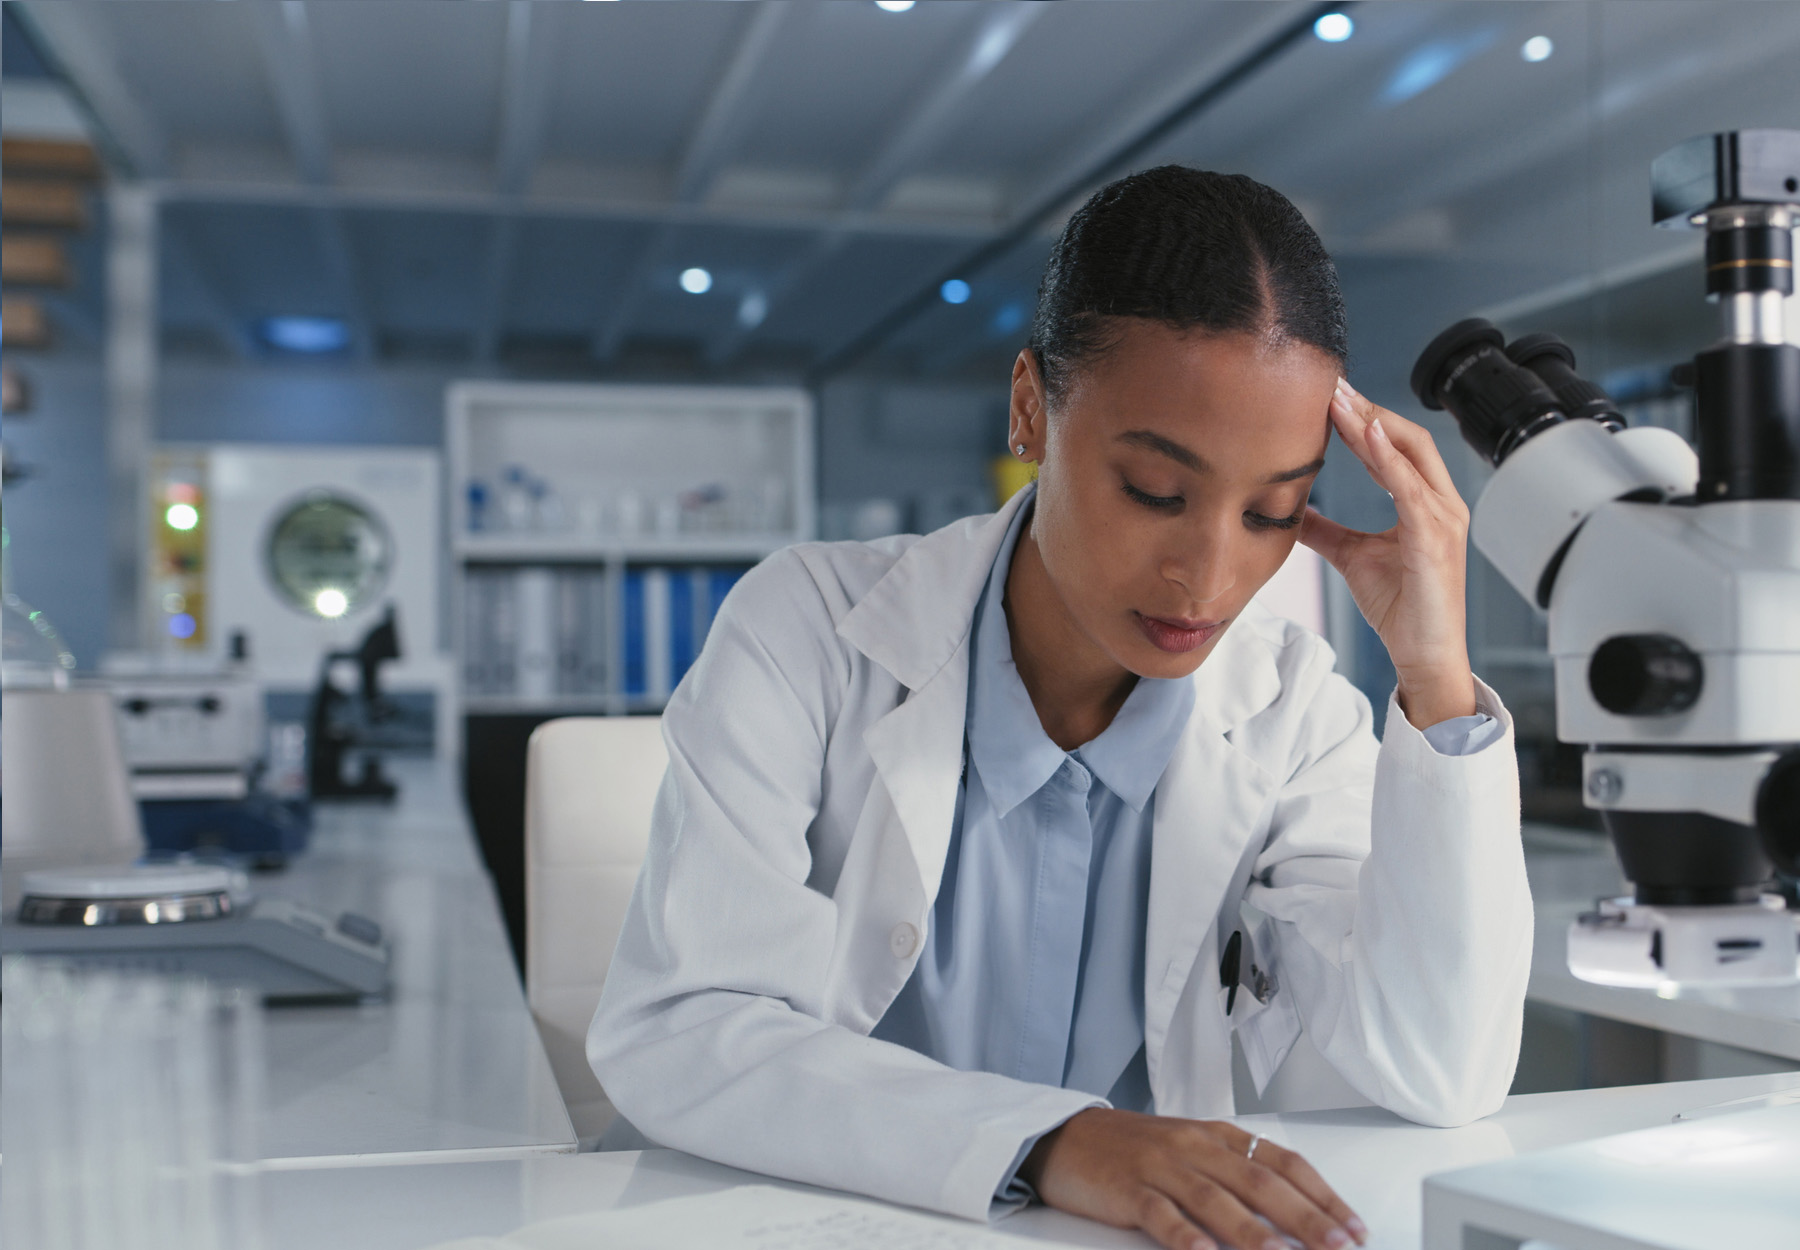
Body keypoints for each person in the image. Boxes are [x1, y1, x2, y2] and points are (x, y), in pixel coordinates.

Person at [589, 166, 1530, 1250]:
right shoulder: (807, 627)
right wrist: (1052, 1139)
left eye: (1275, 509)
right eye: (1155, 491)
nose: (1210, 576)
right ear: (1032, 405)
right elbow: (682, 1023)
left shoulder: (1292, 710)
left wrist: (1438, 678)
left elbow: (1440, 1066)